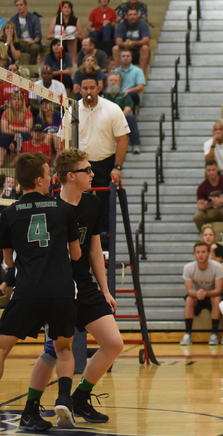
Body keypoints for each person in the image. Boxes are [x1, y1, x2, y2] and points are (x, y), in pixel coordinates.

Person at [24, 149, 123, 428]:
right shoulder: (47, 206)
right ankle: (31, 407)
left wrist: (105, 290)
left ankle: (79, 398)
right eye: (87, 170)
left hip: (85, 284)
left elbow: (94, 249)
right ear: (70, 176)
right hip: (59, 287)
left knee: (114, 344)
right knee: (54, 350)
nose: (93, 174)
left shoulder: (92, 205)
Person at [0, 152, 81, 431]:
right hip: (60, 290)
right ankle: (62, 398)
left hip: (28, 291)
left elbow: (9, 262)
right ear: (39, 179)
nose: (51, 178)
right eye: (48, 174)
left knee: (1, 348)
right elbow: (76, 253)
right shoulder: (63, 209)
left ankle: (30, 412)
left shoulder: (8, 213)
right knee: (64, 349)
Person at [60, 75, 129, 237]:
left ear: (98, 88)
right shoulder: (72, 111)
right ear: (80, 90)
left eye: (92, 88)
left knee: (106, 204)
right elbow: (65, 141)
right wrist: (64, 168)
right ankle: (79, 238)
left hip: (106, 164)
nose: (89, 91)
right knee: (78, 203)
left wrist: (117, 167)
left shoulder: (112, 109)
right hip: (79, 166)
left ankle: (105, 243)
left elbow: (122, 139)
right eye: (85, 88)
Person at [180, 241, 223, 346]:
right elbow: (189, 291)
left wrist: (205, 293)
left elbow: (218, 290)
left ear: (209, 253)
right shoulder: (188, 268)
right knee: (189, 299)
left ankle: (214, 334)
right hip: (197, 296)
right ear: (194, 254)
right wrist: (197, 294)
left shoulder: (217, 267)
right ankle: (187, 334)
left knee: (217, 298)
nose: (200, 255)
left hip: (212, 295)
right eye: (198, 252)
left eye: (203, 252)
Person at [193, 159, 223, 241]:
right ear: (206, 171)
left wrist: (220, 200)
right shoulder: (202, 187)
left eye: (213, 170)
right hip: (211, 210)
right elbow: (200, 206)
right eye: (209, 170)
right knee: (197, 217)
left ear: (217, 169)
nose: (211, 173)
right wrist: (207, 205)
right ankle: (206, 235)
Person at [47, 1, 85, 67]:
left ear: (71, 10)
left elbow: (83, 36)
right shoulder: (56, 19)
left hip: (72, 41)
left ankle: (73, 63)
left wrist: (71, 34)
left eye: (68, 8)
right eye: (64, 7)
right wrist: (59, 34)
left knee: (72, 40)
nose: (67, 9)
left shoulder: (76, 20)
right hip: (59, 40)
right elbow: (48, 36)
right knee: (58, 43)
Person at [0, 90, 33, 166]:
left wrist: (12, 128)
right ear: (11, 101)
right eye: (14, 99)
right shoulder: (6, 112)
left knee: (26, 135)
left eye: (19, 99)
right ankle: (1, 161)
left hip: (23, 135)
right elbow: (4, 129)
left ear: (22, 101)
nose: (16, 101)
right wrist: (16, 133)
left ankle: (23, 160)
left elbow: (28, 128)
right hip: (10, 135)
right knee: (3, 136)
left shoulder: (27, 112)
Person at [113, 6, 150, 71]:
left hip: (138, 50)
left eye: (134, 14)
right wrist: (124, 44)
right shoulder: (121, 25)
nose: (132, 16)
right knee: (115, 48)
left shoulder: (143, 25)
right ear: (126, 16)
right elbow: (118, 41)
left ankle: (141, 74)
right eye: (130, 15)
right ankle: (119, 73)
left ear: (138, 15)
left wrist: (133, 43)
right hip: (125, 50)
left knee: (145, 48)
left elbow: (146, 40)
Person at [10, 0, 42, 64]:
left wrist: (33, 41)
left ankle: (31, 66)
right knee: (13, 45)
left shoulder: (34, 18)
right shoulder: (13, 19)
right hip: (19, 42)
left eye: (21, 5)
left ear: (25, 5)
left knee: (35, 47)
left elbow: (38, 34)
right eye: (17, 5)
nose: (19, 7)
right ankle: (14, 65)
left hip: (32, 42)